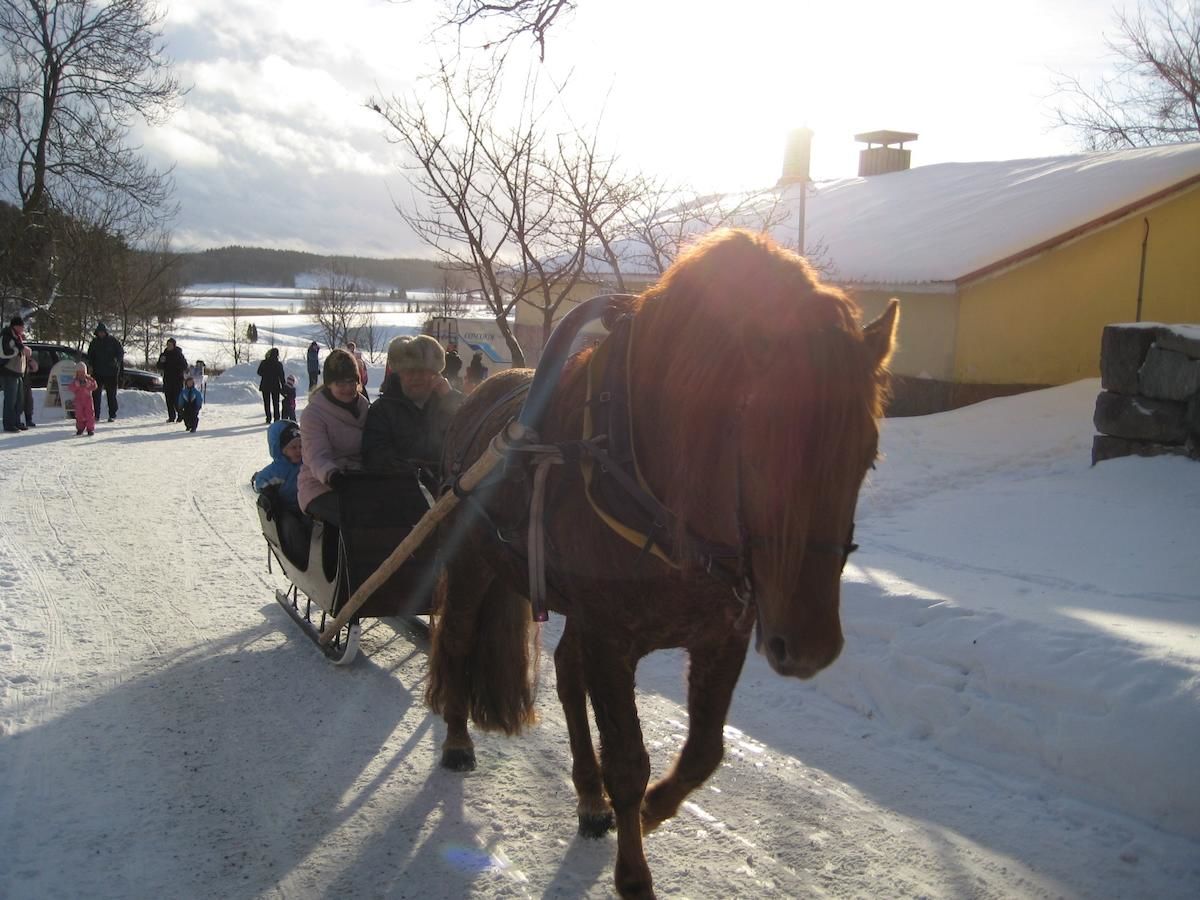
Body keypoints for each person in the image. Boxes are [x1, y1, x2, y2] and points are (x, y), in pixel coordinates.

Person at [363, 335, 461, 482]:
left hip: (447, 490)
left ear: (434, 374)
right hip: (400, 493)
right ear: (399, 374)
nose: (416, 377)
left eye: (422, 372)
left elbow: (470, 430)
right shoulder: (382, 411)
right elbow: (376, 456)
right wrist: (416, 472)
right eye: (409, 372)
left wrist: (450, 396)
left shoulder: (445, 404)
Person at [298, 348, 369, 525]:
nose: (348, 389)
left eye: (351, 382)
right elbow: (316, 456)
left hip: (359, 481)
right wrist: (333, 476)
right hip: (321, 486)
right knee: (355, 517)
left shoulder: (364, 408)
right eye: (340, 383)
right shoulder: (314, 415)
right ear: (329, 384)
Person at [253, 419, 303, 510]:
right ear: (282, 450)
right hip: (284, 508)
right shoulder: (277, 470)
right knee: (289, 523)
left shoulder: (306, 464)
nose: (298, 450)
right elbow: (260, 482)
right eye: (293, 447)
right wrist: (268, 492)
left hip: (305, 506)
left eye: (301, 446)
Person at [86, 321, 123, 422]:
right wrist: (90, 365)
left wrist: (117, 362)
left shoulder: (113, 341)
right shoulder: (94, 342)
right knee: (95, 395)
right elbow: (90, 355)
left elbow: (120, 352)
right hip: (97, 372)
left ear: (106, 332)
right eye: (99, 332)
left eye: (102, 332)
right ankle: (96, 415)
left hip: (111, 372)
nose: (101, 334)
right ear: (97, 333)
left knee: (111, 395)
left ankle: (112, 414)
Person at [1, 315, 33, 432]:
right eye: (21, 327)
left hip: (18, 373)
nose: (23, 329)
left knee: (19, 400)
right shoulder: (6, 337)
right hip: (9, 372)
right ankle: (9, 424)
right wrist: (20, 349)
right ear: (15, 326)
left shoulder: (17, 337)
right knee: (10, 399)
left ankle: (16, 422)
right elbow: (4, 353)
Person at [156, 338, 189, 423]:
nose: (169, 346)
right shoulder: (164, 354)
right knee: (168, 399)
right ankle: (171, 417)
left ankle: (181, 414)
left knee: (176, 399)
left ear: (174, 345)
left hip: (177, 379)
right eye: (168, 345)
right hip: (167, 379)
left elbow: (185, 365)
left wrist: (177, 368)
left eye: (170, 345)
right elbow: (159, 366)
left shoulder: (178, 354)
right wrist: (161, 362)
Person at [66, 362, 98, 436]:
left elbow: (95, 386)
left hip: (88, 400)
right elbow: (70, 388)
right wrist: (76, 386)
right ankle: (80, 428)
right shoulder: (75, 381)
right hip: (78, 401)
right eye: (79, 372)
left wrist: (89, 385)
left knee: (89, 414)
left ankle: (90, 429)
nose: (81, 374)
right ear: (76, 373)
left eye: (83, 372)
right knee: (79, 415)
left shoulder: (89, 379)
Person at [257, 347, 285, 424]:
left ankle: (268, 418)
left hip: (265, 385)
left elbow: (259, 372)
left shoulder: (264, 362)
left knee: (267, 403)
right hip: (275, 386)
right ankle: (276, 418)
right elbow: (281, 376)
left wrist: (266, 374)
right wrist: (283, 386)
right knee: (276, 403)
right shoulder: (278, 364)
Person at [21, 355, 37, 428]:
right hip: (21, 383)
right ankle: (17, 420)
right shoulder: (20, 359)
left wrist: (30, 361)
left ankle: (28, 419)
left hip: (27, 383)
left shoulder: (28, 362)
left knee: (29, 402)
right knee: (20, 402)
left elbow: (35, 368)